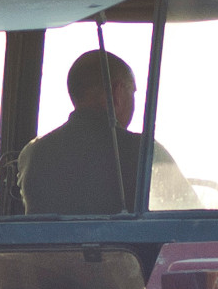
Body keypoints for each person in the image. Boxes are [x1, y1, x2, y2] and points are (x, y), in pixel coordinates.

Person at [16, 50, 193, 214]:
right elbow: (189, 215)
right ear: (117, 93)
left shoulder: (32, 154)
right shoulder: (144, 152)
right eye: (132, 91)